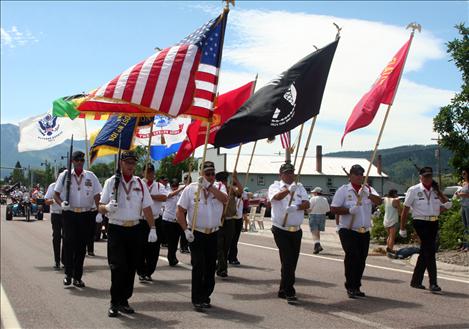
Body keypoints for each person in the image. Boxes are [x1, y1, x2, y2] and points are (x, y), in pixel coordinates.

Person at [99, 151, 157, 317]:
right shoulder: (112, 182)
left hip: (135, 229)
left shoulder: (140, 182)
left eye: (133, 163)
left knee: (131, 266)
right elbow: (100, 206)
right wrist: (107, 208)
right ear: (120, 163)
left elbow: (147, 207)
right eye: (127, 162)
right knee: (118, 267)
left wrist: (152, 227)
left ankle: (124, 300)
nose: (131, 165)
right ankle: (114, 301)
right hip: (116, 228)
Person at [176, 161, 228, 310]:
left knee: (211, 267)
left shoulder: (219, 187)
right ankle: (197, 298)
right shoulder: (191, 189)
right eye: (207, 174)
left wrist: (209, 186)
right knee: (199, 265)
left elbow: (225, 200)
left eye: (213, 173)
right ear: (201, 174)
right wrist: (186, 230)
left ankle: (206, 295)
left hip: (213, 233)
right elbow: (180, 211)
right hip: (196, 233)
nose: (211, 176)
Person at [330, 164, 382, 299]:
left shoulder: (368, 189)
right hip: (348, 229)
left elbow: (380, 201)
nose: (360, 177)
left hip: (364, 230)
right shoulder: (344, 190)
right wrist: (348, 210)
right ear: (350, 176)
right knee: (352, 256)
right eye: (357, 174)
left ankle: (357, 286)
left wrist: (368, 195)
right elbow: (334, 208)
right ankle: (350, 286)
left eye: (361, 174)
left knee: (361, 259)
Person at [54, 151, 102, 288]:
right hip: (70, 214)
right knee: (69, 244)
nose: (79, 162)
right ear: (72, 161)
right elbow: (56, 194)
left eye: (82, 160)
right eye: (77, 160)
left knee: (81, 247)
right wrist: (61, 203)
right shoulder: (65, 175)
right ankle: (68, 274)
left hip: (86, 215)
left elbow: (97, 195)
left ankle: (77, 277)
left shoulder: (90, 176)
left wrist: (99, 211)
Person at [400, 166, 452, 292]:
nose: (428, 179)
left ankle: (416, 281)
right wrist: (402, 227)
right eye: (425, 176)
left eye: (429, 176)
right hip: (420, 222)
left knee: (425, 251)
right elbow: (405, 210)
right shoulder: (414, 190)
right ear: (420, 177)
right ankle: (433, 283)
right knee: (430, 250)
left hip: (433, 222)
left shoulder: (435, 190)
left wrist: (439, 191)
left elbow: (447, 205)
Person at [268, 163, 310, 305]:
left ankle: (282, 289)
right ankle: (289, 290)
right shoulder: (274, 186)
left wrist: (297, 207)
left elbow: (307, 204)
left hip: (296, 230)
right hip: (280, 229)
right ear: (280, 174)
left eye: (291, 172)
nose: (289, 175)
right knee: (287, 260)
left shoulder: (300, 187)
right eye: (286, 173)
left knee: (293, 261)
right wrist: (288, 191)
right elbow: (276, 198)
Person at [137, 163, 167, 282]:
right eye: (147, 171)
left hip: (155, 219)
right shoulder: (139, 184)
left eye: (151, 172)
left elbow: (164, 197)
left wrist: (149, 195)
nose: (149, 174)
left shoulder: (159, 186)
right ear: (142, 172)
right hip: (141, 220)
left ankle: (149, 271)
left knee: (154, 248)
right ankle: (141, 271)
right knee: (140, 247)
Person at [216, 171, 242, 278]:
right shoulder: (216, 190)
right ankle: (222, 269)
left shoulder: (231, 189)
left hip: (230, 220)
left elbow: (240, 192)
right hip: (218, 221)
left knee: (226, 245)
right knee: (219, 245)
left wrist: (236, 179)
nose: (224, 182)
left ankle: (221, 266)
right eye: (222, 180)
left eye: (225, 180)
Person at [45, 167, 66, 270]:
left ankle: (65, 260)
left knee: (67, 238)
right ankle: (57, 260)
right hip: (56, 214)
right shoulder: (53, 186)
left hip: (67, 214)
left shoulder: (70, 186)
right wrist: (52, 201)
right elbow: (46, 200)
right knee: (57, 237)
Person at [162, 178, 186, 266]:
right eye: (173, 186)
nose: (175, 188)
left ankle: (172, 256)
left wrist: (185, 187)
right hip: (168, 220)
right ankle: (171, 258)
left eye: (176, 186)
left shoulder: (181, 193)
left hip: (177, 221)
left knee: (175, 241)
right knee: (171, 241)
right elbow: (170, 195)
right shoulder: (166, 191)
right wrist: (180, 189)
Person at [307, 187, 330, 254]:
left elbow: (309, 208)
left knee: (314, 231)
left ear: (316, 193)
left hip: (314, 215)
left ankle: (317, 245)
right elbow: (328, 209)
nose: (313, 193)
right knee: (317, 232)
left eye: (314, 192)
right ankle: (316, 246)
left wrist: (306, 211)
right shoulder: (324, 199)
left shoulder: (313, 198)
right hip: (322, 216)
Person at [228, 187, 248, 266]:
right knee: (229, 240)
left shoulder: (241, 197)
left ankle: (232, 257)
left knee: (235, 240)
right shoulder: (231, 197)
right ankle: (228, 256)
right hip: (231, 219)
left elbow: (248, 195)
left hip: (238, 220)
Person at [383, 189, 402, 254]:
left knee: (389, 236)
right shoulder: (396, 200)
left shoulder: (385, 199)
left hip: (386, 220)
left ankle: (388, 248)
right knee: (392, 237)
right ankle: (390, 250)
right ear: (394, 194)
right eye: (396, 193)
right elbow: (400, 212)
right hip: (393, 220)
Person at [456, 167, 469, 252]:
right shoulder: (464, 183)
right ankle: (465, 244)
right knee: (465, 226)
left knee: (468, 226)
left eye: (464, 173)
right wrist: (459, 194)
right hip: (463, 205)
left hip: (468, 206)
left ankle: (467, 245)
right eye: (462, 174)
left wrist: (460, 194)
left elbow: (467, 195)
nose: (463, 175)